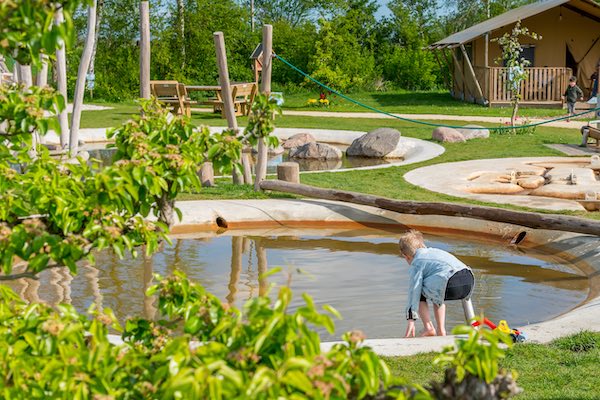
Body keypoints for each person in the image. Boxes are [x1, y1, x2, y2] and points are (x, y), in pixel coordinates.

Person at [398, 230, 475, 338]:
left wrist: (411, 318)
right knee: (436, 290)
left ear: (406, 256)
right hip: (468, 280)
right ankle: (460, 327)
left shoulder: (417, 262)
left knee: (421, 288)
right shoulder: (436, 252)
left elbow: (413, 290)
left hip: (449, 283)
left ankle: (429, 327)